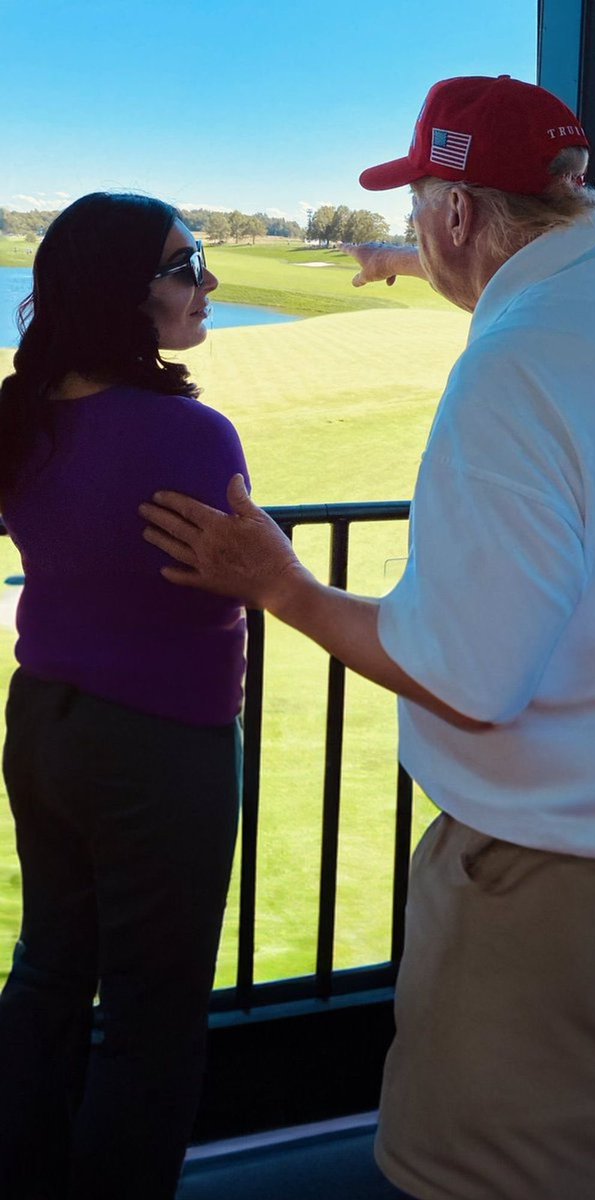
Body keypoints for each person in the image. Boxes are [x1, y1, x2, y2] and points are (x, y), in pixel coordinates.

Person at [141, 75, 595, 1200]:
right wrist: (400, 255)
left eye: (419, 204)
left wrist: (281, 585)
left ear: (458, 212)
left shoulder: (515, 366)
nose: (417, 225)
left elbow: (466, 679)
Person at [0, 192, 249, 1200]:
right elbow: (226, 584)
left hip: (43, 728)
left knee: (50, 970)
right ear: (121, 291)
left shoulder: (24, 417)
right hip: (162, 750)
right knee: (153, 1015)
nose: (207, 282)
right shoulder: (192, 436)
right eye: (185, 265)